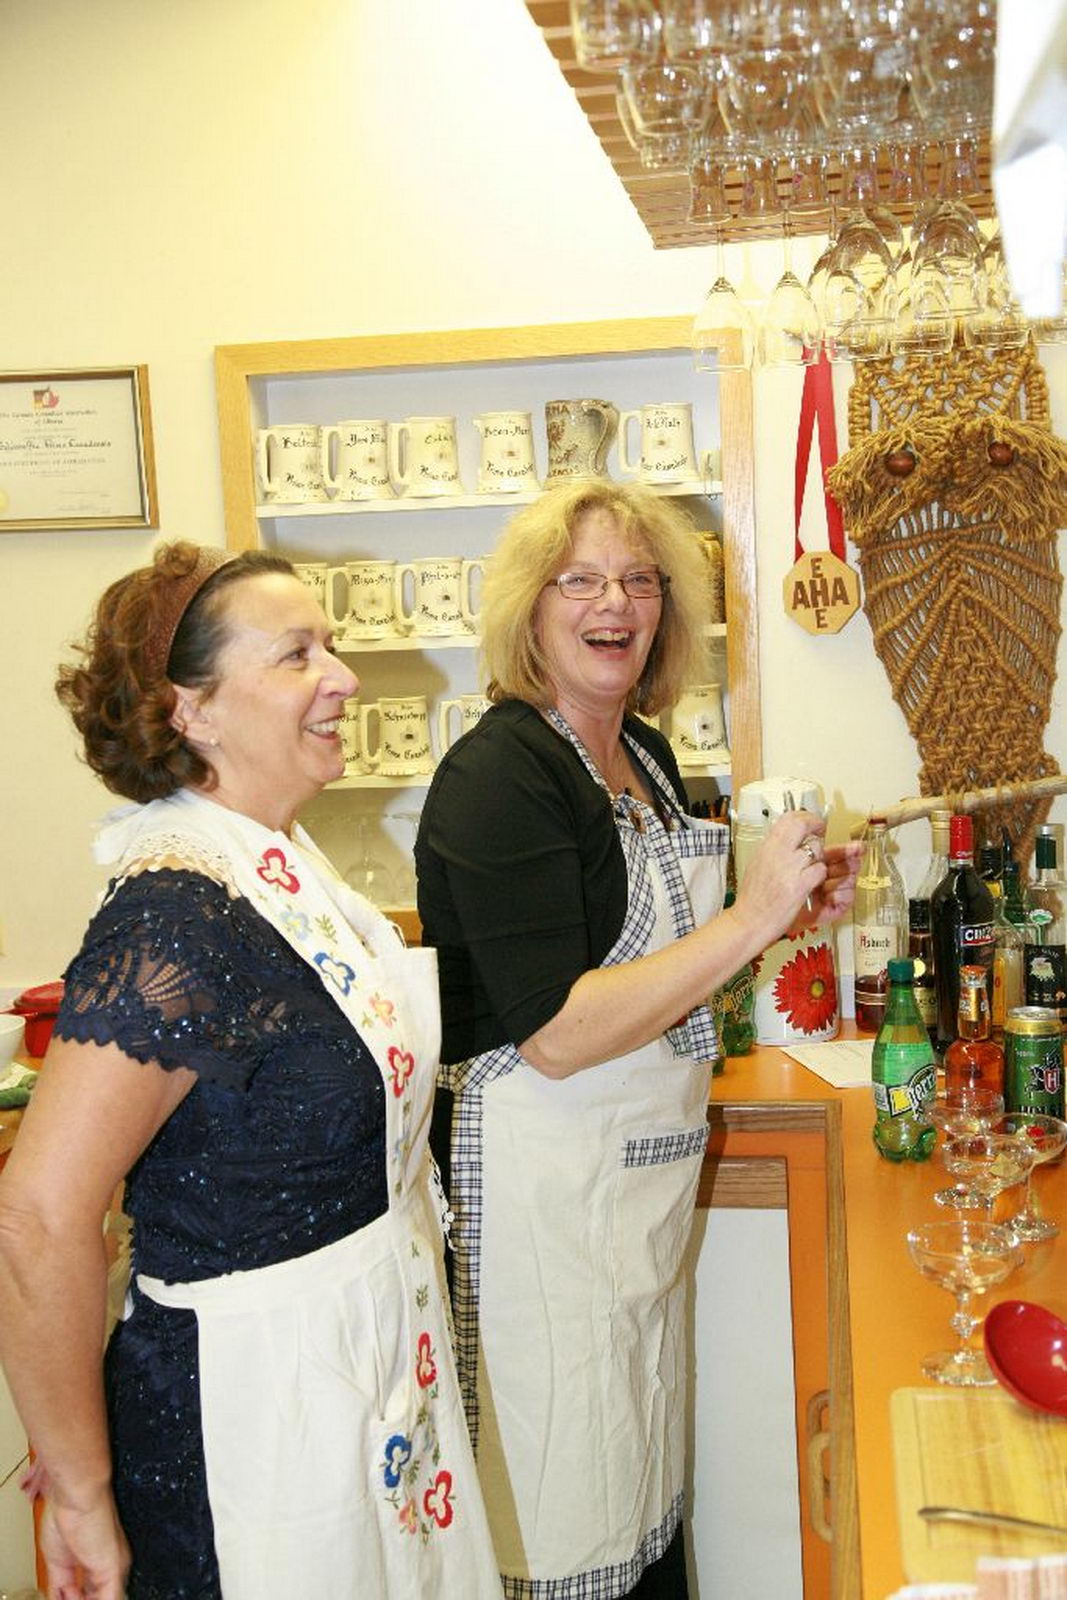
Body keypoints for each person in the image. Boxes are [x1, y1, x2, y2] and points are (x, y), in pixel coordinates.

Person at [0, 542, 504, 1600]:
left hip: (353, 1381)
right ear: (193, 712)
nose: (343, 677)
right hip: (250, 1420)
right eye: (295, 654)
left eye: (332, 645)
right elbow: (37, 1216)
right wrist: (81, 1488)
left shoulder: (279, 869)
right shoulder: (174, 917)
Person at [414, 479, 861, 1599]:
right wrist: (749, 917)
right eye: (579, 580)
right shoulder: (498, 775)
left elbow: (670, 970)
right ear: (528, 609)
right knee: (556, 1529)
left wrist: (787, 908)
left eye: (638, 580)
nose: (613, 603)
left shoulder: (649, 758)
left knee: (643, 1506)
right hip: (539, 1217)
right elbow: (558, 1034)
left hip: (629, 1210)